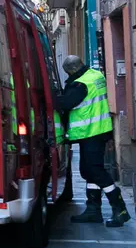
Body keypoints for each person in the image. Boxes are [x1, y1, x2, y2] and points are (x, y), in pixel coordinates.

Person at [55, 55, 130, 227]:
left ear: (72, 70)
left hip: (90, 132)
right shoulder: (96, 75)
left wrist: (51, 97)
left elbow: (66, 103)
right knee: (88, 170)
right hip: (98, 131)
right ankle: (93, 210)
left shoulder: (80, 84)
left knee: (95, 171)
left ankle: (120, 208)